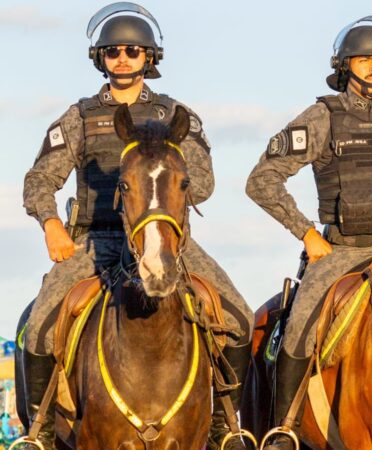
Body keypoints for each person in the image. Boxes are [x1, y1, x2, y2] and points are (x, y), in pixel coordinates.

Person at [20, 4, 253, 449]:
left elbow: (201, 181)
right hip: (96, 241)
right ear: (100, 59)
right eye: (113, 52)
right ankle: (41, 432)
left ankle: (225, 425)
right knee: (40, 328)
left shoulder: (177, 115)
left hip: (167, 240)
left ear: (150, 57)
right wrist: (51, 224)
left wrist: (163, 176)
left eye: (132, 51)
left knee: (239, 319)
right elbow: (39, 179)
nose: (122, 59)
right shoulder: (79, 117)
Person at [245, 15, 372, 450]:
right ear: (345, 65)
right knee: (299, 327)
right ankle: (284, 428)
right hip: (341, 253)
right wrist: (306, 234)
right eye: (366, 59)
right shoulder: (321, 117)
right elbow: (262, 180)